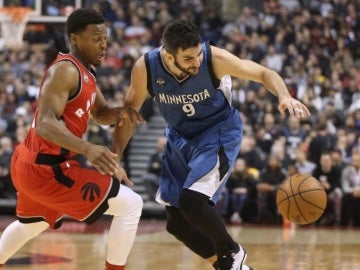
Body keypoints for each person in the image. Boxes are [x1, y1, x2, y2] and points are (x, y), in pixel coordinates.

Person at [112, 19, 310, 270]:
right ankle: (228, 266)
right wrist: (115, 155)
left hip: (216, 131)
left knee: (192, 200)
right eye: (188, 59)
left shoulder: (213, 58)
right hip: (180, 136)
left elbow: (263, 73)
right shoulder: (146, 68)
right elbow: (128, 114)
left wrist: (284, 95)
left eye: (197, 55)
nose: (196, 62)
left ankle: (232, 251)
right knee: (176, 224)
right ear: (169, 56)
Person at [0, 8, 144, 270]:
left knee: (31, 225)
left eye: (105, 38)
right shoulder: (66, 70)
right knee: (132, 205)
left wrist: (122, 113)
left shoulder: (85, 71)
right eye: (96, 38)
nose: (104, 44)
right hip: (46, 168)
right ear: (75, 39)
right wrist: (88, 149)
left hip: (29, 162)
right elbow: (45, 123)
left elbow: (100, 114)